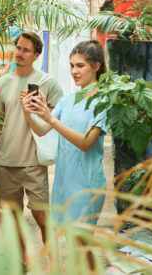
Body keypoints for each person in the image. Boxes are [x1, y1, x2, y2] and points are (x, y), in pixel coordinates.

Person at [22, 39, 108, 225]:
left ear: (96, 66)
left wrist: (50, 117)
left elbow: (86, 143)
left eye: (80, 66)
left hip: (87, 185)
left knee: (82, 245)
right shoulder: (67, 100)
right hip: (64, 183)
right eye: (71, 66)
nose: (74, 71)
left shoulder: (103, 101)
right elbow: (43, 130)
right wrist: (29, 113)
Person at [0, 31, 64, 239]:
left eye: (26, 50)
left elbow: (55, 120)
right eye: (18, 48)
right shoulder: (1, 83)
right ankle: (21, 260)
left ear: (37, 55)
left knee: (41, 215)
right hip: (5, 161)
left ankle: (52, 259)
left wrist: (37, 106)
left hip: (33, 162)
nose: (20, 53)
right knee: (12, 219)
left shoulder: (47, 83)